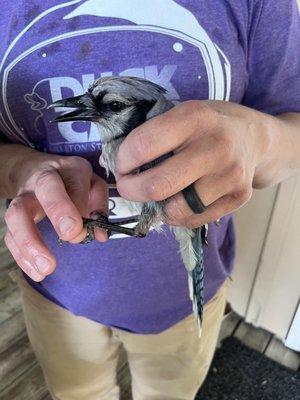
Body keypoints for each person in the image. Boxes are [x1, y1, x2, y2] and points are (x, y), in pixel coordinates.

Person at [0, 1, 299, 399]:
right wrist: (21, 168)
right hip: (55, 293)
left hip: (182, 300)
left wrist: (258, 139)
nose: (88, 110)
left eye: (114, 106)